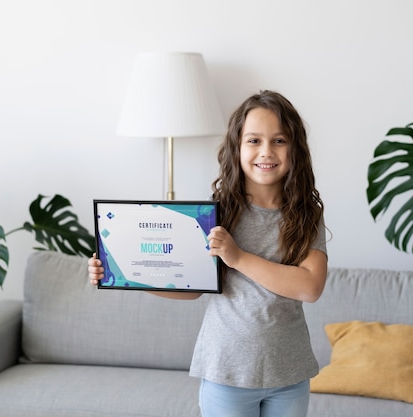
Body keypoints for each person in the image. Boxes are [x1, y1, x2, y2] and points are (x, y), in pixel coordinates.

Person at [88, 90, 328, 417]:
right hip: (225, 371)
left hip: (290, 374)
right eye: (254, 141)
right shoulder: (216, 213)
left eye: (280, 140)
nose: (266, 152)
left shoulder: (306, 214)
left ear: (295, 148)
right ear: (237, 147)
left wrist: (238, 256)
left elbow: (309, 287)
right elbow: (192, 289)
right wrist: (129, 275)